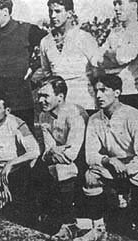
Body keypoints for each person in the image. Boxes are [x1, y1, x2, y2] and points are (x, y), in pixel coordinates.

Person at [73, 74, 138, 241]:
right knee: (91, 176)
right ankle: (98, 226)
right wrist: (109, 160)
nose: (98, 95)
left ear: (117, 92)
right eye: (96, 91)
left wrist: (126, 171)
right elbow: (90, 155)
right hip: (116, 166)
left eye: (103, 90)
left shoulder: (135, 116)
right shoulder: (94, 119)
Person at [34, 76, 88, 240]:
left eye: (46, 96)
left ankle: (69, 223)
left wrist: (53, 153)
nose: (41, 100)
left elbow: (72, 153)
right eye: (39, 96)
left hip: (84, 161)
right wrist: (52, 153)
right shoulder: (44, 116)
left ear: (60, 97)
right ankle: (49, 211)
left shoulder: (75, 114)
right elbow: (47, 150)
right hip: (60, 158)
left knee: (62, 169)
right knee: (37, 166)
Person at [0, 0, 47, 130]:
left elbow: (50, 46)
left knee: (25, 142)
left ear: (5, 11)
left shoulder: (27, 30)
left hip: (20, 99)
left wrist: (35, 68)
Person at [40, 0, 102, 112]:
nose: (53, 16)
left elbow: (97, 71)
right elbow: (47, 73)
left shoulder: (84, 38)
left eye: (58, 11)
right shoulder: (45, 42)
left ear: (69, 13)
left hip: (84, 102)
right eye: (50, 11)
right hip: (59, 104)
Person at [102, 0, 138, 118]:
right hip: (114, 94)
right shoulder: (114, 32)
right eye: (114, 4)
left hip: (135, 94)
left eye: (120, 3)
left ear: (134, 6)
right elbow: (98, 60)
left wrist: (109, 55)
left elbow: (122, 57)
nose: (116, 8)